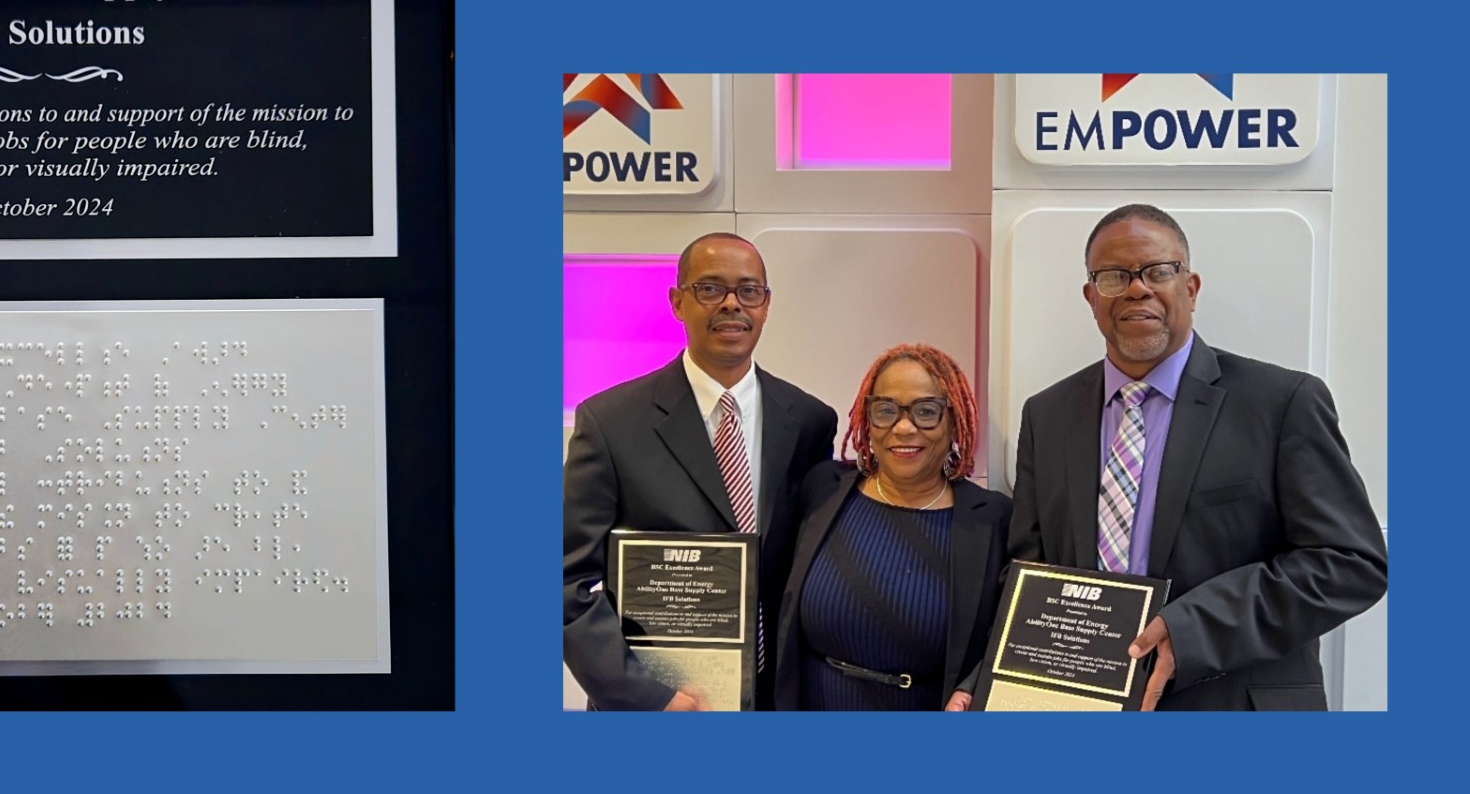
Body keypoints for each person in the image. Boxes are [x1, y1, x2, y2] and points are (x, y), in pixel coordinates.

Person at [995, 204, 1386, 711]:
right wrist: (987, 682)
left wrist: (1193, 629)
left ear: (1191, 287)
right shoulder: (1047, 415)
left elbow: (1349, 562)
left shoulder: (1281, 402)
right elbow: (1030, 575)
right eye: (1114, 276)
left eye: (1158, 271)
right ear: (1091, 297)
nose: (1137, 288)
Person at [564, 232, 837, 709]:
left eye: (748, 291)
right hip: (656, 709)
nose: (731, 305)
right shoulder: (610, 422)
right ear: (677, 301)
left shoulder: (811, 422)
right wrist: (647, 698)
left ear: (766, 305)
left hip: (776, 700)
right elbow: (565, 583)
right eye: (710, 289)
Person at [773, 343, 1008, 710]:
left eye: (926, 411)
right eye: (885, 410)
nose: (903, 427)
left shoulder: (994, 520)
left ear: (955, 420)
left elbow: (1008, 637)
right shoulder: (823, 489)